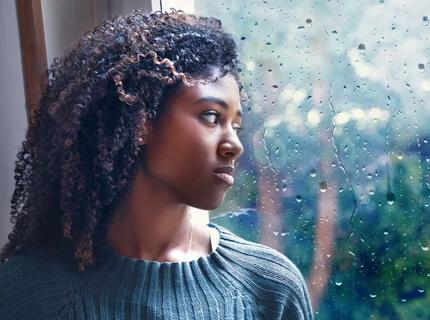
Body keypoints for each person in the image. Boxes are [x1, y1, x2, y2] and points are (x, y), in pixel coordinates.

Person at [0, 9, 314, 319]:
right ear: (141, 121)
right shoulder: (29, 295)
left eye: (236, 125)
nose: (234, 145)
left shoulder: (271, 290)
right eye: (211, 117)